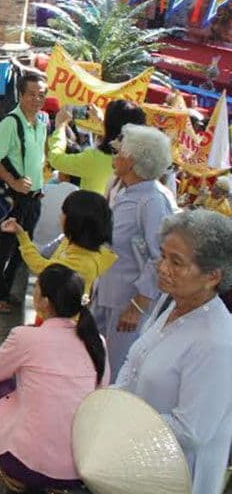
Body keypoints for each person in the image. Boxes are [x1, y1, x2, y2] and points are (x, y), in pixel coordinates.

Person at [116, 209, 232, 494]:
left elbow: (191, 431)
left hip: (175, 474)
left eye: (176, 262)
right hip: (137, 454)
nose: (163, 267)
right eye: (164, 256)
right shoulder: (171, 302)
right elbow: (135, 362)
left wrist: (121, 421)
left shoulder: (216, 341)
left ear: (212, 276)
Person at [0, 264, 108, 492]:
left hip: (24, 466)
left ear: (45, 302)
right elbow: (99, 396)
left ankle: (8, 459)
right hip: (77, 472)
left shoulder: (26, 337)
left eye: (36, 289)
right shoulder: (98, 343)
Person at [92, 123, 176, 377]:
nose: (115, 156)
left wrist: (137, 306)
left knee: (115, 370)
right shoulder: (126, 192)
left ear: (134, 161)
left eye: (121, 153)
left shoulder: (152, 201)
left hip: (126, 305)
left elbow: (160, 256)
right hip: (106, 295)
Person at [0, 71, 49, 313]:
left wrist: (39, 187)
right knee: (3, 246)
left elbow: (37, 159)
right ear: (20, 95)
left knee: (23, 248)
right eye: (31, 94)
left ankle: (8, 291)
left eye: (41, 95)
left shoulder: (41, 124)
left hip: (33, 198)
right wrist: (13, 181)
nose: (36, 99)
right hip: (14, 197)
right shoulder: (11, 123)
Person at [0, 189, 116, 298]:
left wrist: (21, 236)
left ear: (76, 222)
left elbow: (42, 267)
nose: (60, 217)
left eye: (64, 213)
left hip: (60, 315)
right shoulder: (72, 242)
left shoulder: (82, 263)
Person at [47, 99, 145, 195]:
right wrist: (101, 121)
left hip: (92, 209)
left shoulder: (94, 158)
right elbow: (118, 133)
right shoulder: (142, 160)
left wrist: (60, 126)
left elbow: (56, 159)